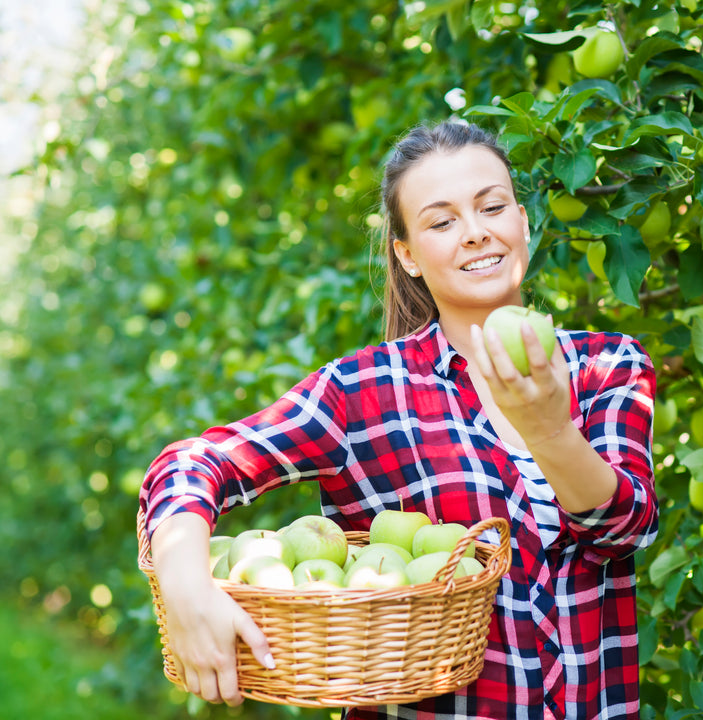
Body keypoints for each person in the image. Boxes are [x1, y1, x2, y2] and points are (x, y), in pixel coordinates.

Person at [139, 120, 658, 720]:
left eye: (491, 207)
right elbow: (194, 462)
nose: (475, 233)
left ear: (522, 221)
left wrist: (548, 429)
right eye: (441, 222)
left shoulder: (605, 365)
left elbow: (625, 529)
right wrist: (183, 583)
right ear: (407, 255)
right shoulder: (364, 392)